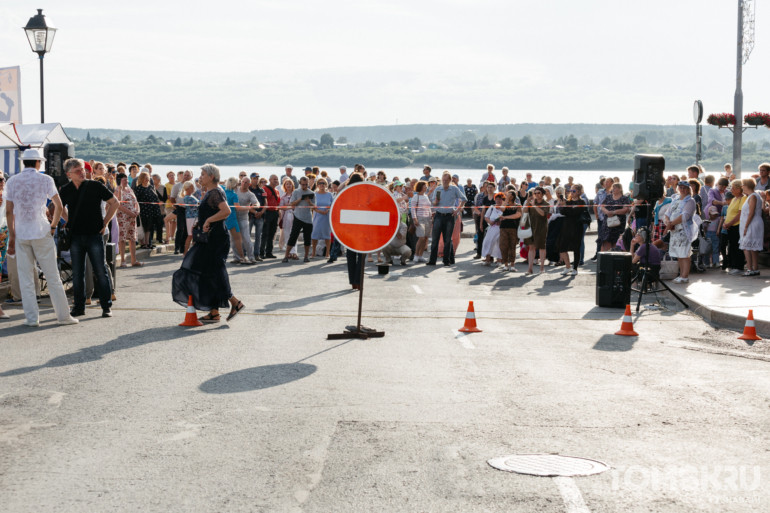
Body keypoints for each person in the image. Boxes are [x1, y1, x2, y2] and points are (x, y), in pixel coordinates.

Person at [3, 150, 78, 326]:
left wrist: (12, 236)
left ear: (24, 162)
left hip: (21, 232)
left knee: (26, 277)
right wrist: (53, 226)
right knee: (52, 276)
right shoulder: (46, 180)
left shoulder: (13, 181)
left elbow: (9, 212)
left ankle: (31, 318)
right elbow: (58, 206)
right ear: (38, 162)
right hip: (41, 230)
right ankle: (63, 316)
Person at [172, 164, 244, 323]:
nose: (200, 177)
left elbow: (226, 211)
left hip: (215, 240)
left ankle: (234, 302)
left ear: (212, 176)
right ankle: (214, 312)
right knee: (208, 273)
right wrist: (201, 222)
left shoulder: (216, 192)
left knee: (209, 271)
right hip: (209, 238)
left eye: (203, 174)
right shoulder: (211, 192)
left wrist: (209, 220)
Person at [58, 158, 119, 318]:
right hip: (76, 235)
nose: (82, 172)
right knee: (78, 273)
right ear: (69, 174)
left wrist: (105, 223)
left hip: (94, 234)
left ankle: (106, 306)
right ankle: (79, 306)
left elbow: (115, 203)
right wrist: (68, 219)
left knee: (100, 270)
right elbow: (59, 207)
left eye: (83, 170)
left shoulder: (95, 186)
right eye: (78, 171)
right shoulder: (65, 189)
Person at [427, 172, 467, 266]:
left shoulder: (454, 189)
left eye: (446, 180)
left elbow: (464, 199)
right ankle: (432, 261)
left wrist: (457, 210)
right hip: (438, 215)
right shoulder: (438, 188)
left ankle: (446, 261)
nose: (444, 181)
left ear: (449, 180)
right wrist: (435, 202)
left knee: (447, 240)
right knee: (435, 239)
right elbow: (433, 203)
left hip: (449, 216)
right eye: (443, 180)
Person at [664, 181, 697, 284]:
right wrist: (668, 222)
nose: (682, 189)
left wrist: (671, 223)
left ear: (688, 189)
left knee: (684, 253)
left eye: (684, 188)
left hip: (683, 230)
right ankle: (681, 274)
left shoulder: (690, 201)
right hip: (674, 231)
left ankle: (685, 275)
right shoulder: (676, 199)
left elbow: (685, 216)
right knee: (678, 254)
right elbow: (667, 213)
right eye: (680, 187)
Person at [556, 184, 588, 276]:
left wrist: (565, 207)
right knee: (562, 247)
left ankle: (575, 268)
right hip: (567, 226)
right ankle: (567, 266)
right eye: (570, 191)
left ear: (578, 192)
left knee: (576, 248)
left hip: (577, 227)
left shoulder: (581, 202)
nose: (571, 193)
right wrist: (563, 205)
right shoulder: (568, 202)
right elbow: (563, 212)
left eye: (573, 191)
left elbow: (575, 213)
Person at [283, 176, 315, 263]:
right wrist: (300, 199)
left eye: (306, 184)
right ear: (300, 184)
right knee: (293, 236)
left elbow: (314, 207)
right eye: (303, 184)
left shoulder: (311, 193)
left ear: (308, 184)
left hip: (308, 218)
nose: (304, 186)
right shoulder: (296, 192)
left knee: (307, 238)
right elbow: (291, 204)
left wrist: (309, 202)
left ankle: (306, 256)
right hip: (297, 217)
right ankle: (286, 256)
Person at [115, 172, 141, 267]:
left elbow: (136, 202)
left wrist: (137, 211)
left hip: (132, 217)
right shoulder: (118, 190)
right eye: (124, 179)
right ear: (119, 180)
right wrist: (129, 213)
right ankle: (123, 260)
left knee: (132, 238)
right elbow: (118, 205)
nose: (126, 181)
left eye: (126, 179)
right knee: (122, 239)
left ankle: (134, 260)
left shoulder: (129, 189)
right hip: (123, 217)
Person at [739, 178, 763, 276]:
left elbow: (751, 213)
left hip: (752, 224)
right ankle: (755, 268)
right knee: (752, 247)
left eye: (742, 185)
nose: (741, 187)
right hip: (753, 223)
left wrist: (746, 226)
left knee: (746, 246)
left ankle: (749, 268)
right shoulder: (752, 196)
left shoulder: (753, 196)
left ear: (746, 185)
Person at [598, 183, 631, 252]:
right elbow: (602, 206)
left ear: (620, 189)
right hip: (607, 222)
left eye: (615, 188)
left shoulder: (624, 198)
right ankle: (604, 258)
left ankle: (614, 257)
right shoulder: (608, 197)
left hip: (618, 223)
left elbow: (626, 209)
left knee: (616, 241)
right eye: (613, 188)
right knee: (605, 239)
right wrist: (607, 212)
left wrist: (614, 212)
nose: (613, 189)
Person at [723, 179, 746, 275]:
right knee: (731, 246)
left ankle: (739, 266)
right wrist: (725, 223)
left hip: (737, 225)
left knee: (737, 246)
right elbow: (729, 212)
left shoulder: (742, 198)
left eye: (732, 188)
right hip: (730, 226)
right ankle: (733, 265)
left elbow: (739, 214)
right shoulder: (734, 199)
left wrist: (729, 223)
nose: (731, 190)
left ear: (738, 189)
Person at [134, 171, 162, 249]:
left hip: (152, 210)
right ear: (142, 179)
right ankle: (143, 243)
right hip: (143, 210)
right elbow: (136, 200)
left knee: (149, 227)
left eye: (148, 178)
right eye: (145, 178)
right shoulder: (138, 188)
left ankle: (147, 242)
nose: (147, 179)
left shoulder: (151, 187)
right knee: (143, 227)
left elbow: (155, 198)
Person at [524, 187, 549, 275]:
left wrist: (534, 205)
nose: (536, 194)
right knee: (531, 247)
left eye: (538, 193)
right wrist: (528, 201)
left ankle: (542, 267)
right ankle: (530, 269)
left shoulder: (546, 203)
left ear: (542, 194)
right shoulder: (531, 202)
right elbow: (524, 211)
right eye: (535, 193)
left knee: (542, 247)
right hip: (531, 227)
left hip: (541, 228)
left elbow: (543, 214)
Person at [223, 177, 247, 264]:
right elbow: (238, 208)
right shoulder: (234, 195)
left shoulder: (223, 190)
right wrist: (249, 207)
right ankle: (242, 257)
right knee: (237, 239)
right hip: (232, 218)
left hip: (223, 217)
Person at [236, 177, 259, 264]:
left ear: (249, 184)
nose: (244, 184)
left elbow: (256, 203)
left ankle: (251, 257)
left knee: (246, 238)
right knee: (234, 238)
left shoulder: (250, 194)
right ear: (241, 182)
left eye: (246, 182)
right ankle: (237, 257)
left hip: (243, 218)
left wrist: (256, 205)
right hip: (234, 217)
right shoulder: (235, 190)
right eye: (243, 182)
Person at [498, 190, 522, 271]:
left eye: (510, 195)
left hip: (513, 228)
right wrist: (506, 200)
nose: (508, 196)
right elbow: (502, 209)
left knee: (512, 246)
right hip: (503, 228)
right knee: (503, 246)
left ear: (514, 196)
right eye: (507, 195)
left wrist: (505, 217)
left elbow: (517, 215)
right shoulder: (505, 204)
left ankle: (512, 265)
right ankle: (505, 264)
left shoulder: (518, 206)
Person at [310, 178, 332, 258]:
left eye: (323, 183)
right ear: (317, 185)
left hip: (326, 217)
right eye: (320, 183)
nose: (322, 185)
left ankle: (327, 253)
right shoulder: (314, 194)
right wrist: (320, 211)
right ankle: (313, 252)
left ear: (326, 184)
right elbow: (312, 205)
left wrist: (327, 210)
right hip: (317, 216)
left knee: (327, 234)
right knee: (315, 234)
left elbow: (332, 204)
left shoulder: (329, 194)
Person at [481, 192, 504, 266]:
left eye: (500, 199)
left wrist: (501, 222)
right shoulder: (492, 207)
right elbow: (486, 217)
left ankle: (499, 260)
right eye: (497, 199)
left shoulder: (504, 208)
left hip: (501, 229)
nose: (498, 201)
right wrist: (490, 222)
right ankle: (488, 260)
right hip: (492, 228)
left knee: (499, 244)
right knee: (488, 242)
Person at [411, 181, 432, 262]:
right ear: (420, 187)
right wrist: (415, 218)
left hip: (428, 218)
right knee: (421, 237)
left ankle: (420, 255)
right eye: (424, 186)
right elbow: (413, 209)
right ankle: (416, 255)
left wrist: (431, 217)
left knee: (426, 238)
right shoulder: (416, 197)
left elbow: (429, 208)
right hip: (420, 219)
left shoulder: (426, 196)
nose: (426, 187)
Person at [261, 174, 281, 259]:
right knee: (265, 233)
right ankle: (261, 252)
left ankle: (269, 252)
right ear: (270, 180)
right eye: (274, 179)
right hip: (267, 213)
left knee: (272, 233)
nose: (276, 181)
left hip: (274, 213)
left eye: (277, 179)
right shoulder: (265, 189)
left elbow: (278, 203)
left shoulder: (277, 191)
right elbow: (263, 201)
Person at [180, 181, 199, 255]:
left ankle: (192, 252)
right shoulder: (188, 197)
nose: (193, 188)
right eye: (191, 187)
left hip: (194, 217)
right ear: (187, 188)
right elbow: (197, 204)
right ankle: (185, 252)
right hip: (191, 218)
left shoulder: (191, 196)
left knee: (193, 235)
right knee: (190, 235)